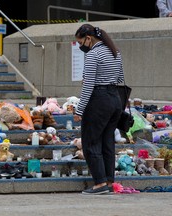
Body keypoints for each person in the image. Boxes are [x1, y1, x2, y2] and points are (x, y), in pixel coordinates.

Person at [73, 24, 124, 195]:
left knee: (91, 142)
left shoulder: (94, 54)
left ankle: (99, 184)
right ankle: (109, 181)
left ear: (88, 38)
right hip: (115, 99)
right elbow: (120, 78)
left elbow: (88, 85)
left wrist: (79, 110)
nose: (81, 46)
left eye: (81, 42)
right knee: (107, 142)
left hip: (99, 101)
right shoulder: (115, 51)